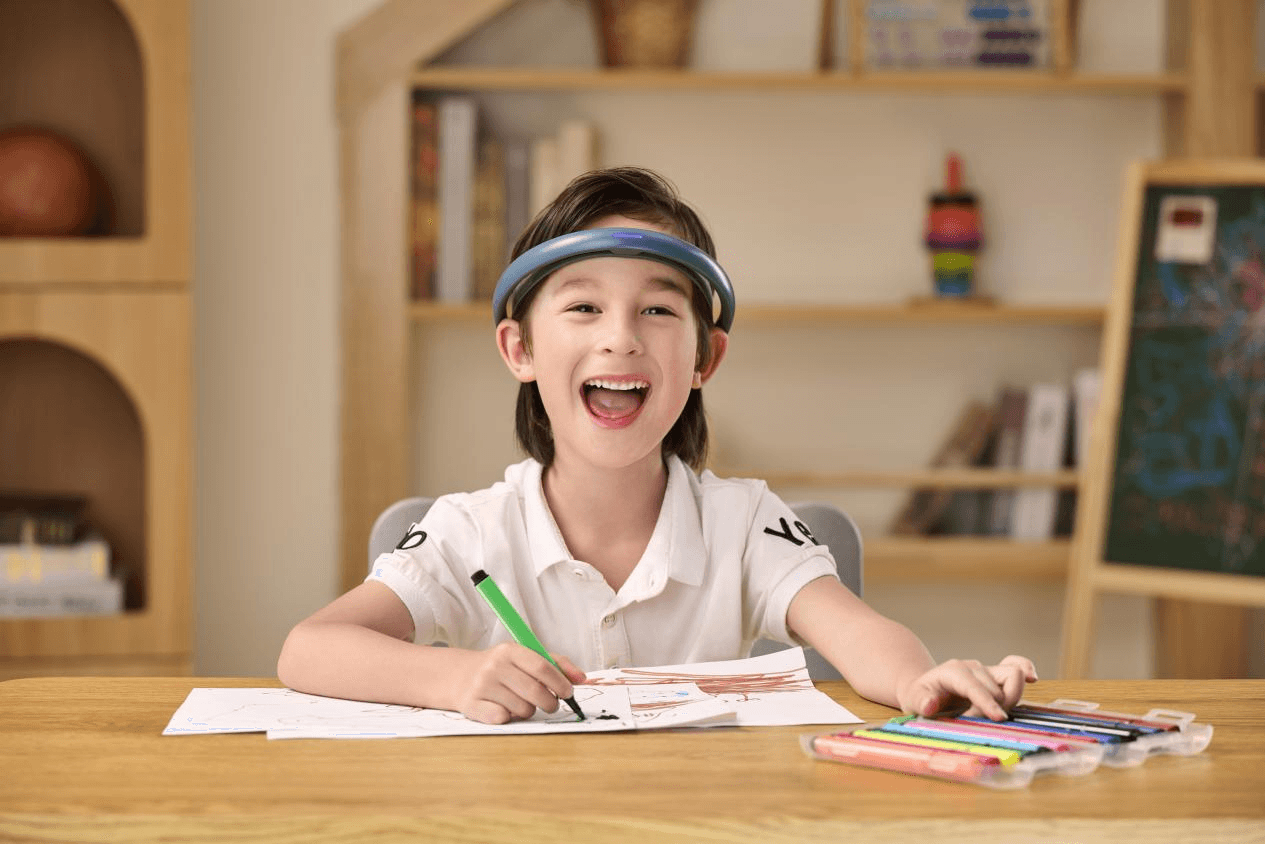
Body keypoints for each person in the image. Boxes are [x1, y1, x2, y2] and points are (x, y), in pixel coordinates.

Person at [278, 166, 1037, 725]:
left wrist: (919, 683)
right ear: (519, 350)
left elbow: (861, 636)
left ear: (705, 359)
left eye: (656, 309)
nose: (619, 338)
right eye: (582, 305)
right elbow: (309, 650)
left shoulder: (743, 521)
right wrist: (453, 678)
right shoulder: (467, 530)